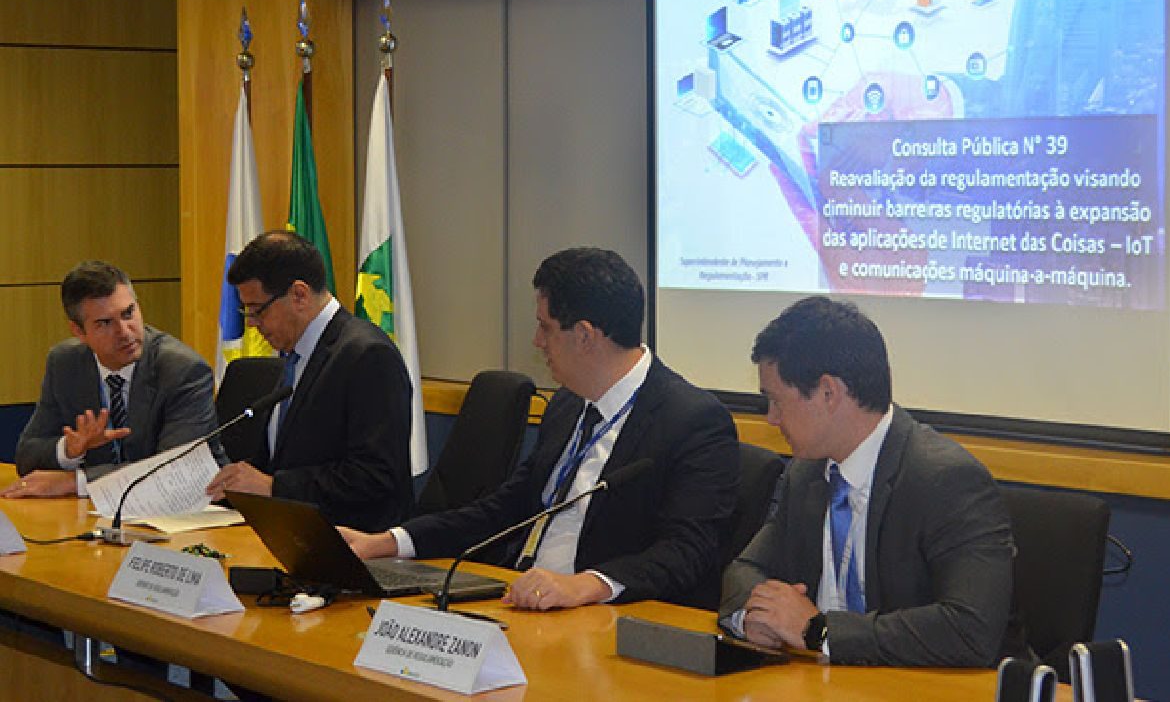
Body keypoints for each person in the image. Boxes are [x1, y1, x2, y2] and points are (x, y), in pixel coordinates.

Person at [340, 247, 738, 610]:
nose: (537, 341)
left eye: (545, 328)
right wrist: (389, 542)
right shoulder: (567, 404)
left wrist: (587, 585)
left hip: (603, 618)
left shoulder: (692, 421)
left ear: (584, 335)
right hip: (517, 596)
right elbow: (505, 508)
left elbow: (687, 551)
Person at [719, 296, 1016, 667]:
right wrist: (754, 617)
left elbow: (970, 629)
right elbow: (745, 571)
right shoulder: (806, 473)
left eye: (777, 401)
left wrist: (820, 632)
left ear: (828, 393)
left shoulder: (946, 480)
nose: (771, 419)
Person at [204, 230, 413, 532]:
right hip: (289, 532)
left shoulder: (367, 355)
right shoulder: (295, 354)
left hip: (351, 542)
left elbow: (375, 476)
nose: (251, 325)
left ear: (299, 295)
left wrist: (274, 486)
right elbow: (285, 457)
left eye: (257, 310)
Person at [3, 261, 217, 498]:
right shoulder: (65, 363)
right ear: (79, 332)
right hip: (101, 511)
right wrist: (70, 450)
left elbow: (171, 470)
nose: (124, 332)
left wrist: (77, 481)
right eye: (105, 323)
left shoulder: (183, 370)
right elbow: (27, 457)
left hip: (188, 508)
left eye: (128, 313)